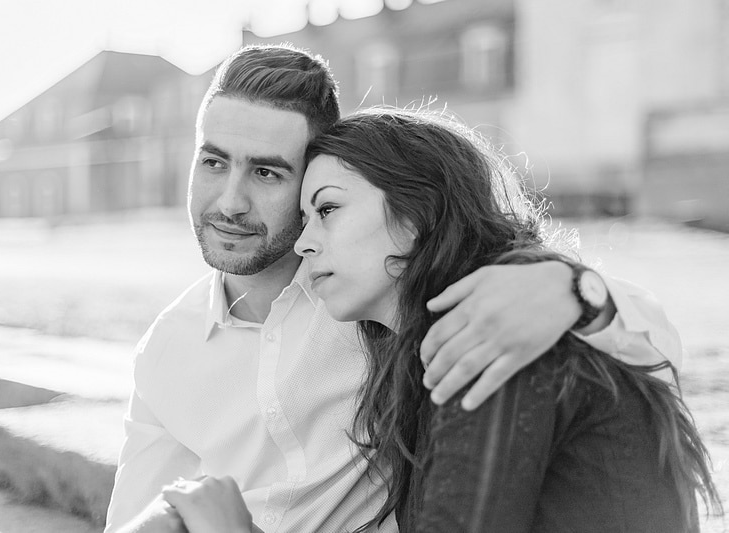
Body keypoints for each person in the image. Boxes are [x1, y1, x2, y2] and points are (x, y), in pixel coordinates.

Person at [105, 44, 686, 533]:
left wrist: (575, 293)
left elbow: (649, 351)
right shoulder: (168, 349)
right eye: (212, 162)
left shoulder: (446, 319)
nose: (230, 202)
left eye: (266, 172)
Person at [290, 107, 722, 531]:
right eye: (304, 220)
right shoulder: (432, 358)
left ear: (416, 216)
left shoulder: (496, 342)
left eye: (327, 210)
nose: (303, 244)